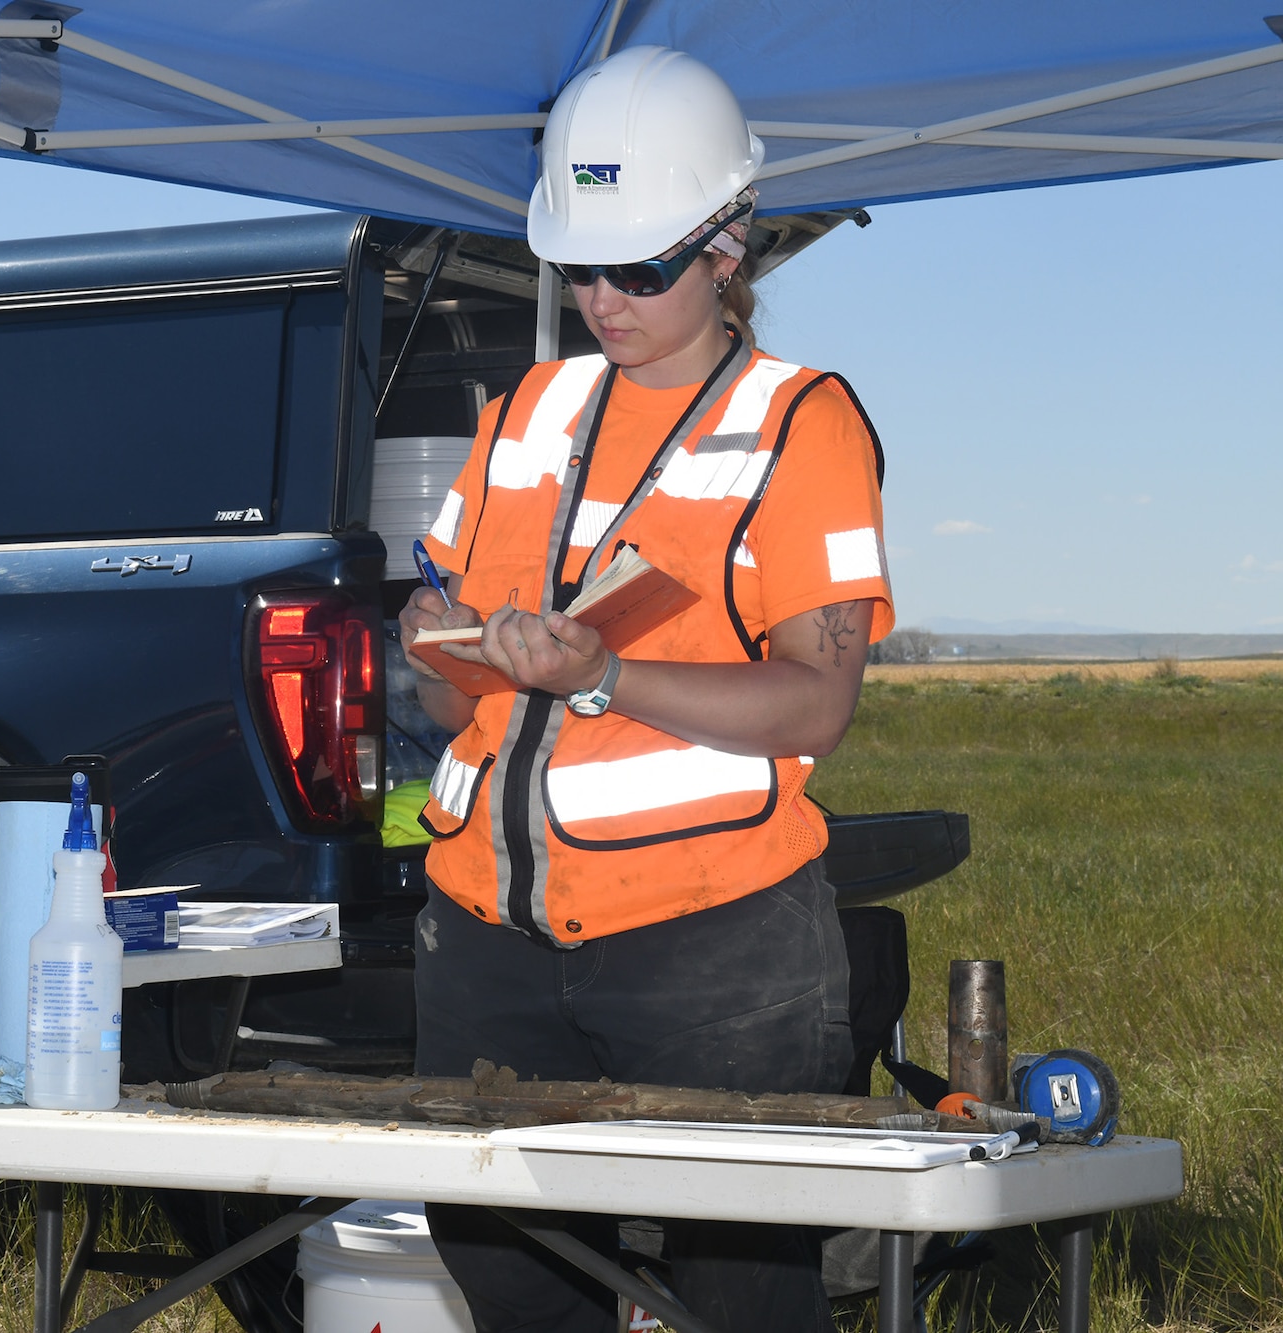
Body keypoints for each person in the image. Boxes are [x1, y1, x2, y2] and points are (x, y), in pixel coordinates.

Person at [399, 46, 895, 1333]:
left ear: (726, 246)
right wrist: (433, 644)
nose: (603, 298)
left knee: (742, 1293)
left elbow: (815, 708)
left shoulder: (802, 425)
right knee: (510, 1282)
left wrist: (606, 672)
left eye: (641, 268)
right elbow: (456, 708)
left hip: (712, 947)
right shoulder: (526, 411)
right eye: (581, 267)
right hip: (486, 941)